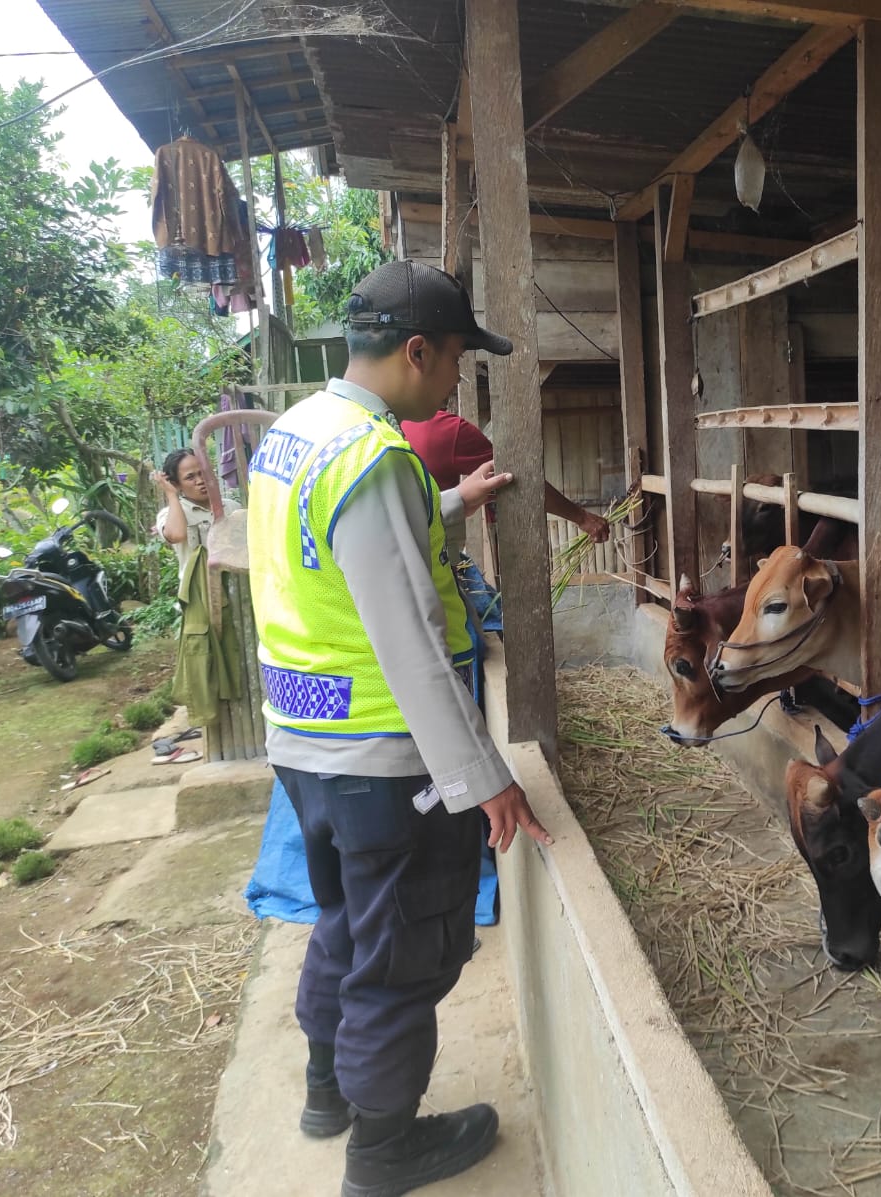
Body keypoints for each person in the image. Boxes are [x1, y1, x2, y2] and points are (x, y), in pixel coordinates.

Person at [246, 259, 552, 1197]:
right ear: (416, 350)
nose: (458, 376)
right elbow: (409, 640)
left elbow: (345, 545)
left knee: (346, 923)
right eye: (456, 356)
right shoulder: (372, 456)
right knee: (403, 952)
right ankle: (384, 1153)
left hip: (305, 744)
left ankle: (325, 1090)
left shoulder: (300, 433)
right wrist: (484, 774)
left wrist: (460, 500)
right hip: (383, 759)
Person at [402, 406, 611, 544]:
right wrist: (581, 517)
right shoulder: (444, 430)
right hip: (433, 566)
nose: (458, 376)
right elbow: (515, 479)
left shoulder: (378, 426)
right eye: (454, 358)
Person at [151, 447, 241, 584]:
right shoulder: (171, 514)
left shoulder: (232, 507)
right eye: (190, 477)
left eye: (202, 473)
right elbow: (176, 535)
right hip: (199, 593)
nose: (200, 481)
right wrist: (171, 494)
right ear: (176, 484)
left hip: (238, 588)